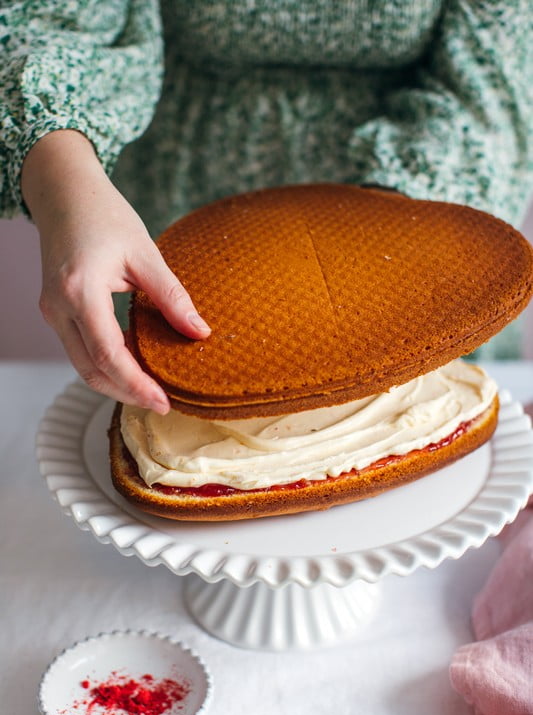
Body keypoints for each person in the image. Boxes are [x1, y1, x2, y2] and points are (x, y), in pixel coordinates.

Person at [1, 0, 531, 414]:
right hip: (181, 226)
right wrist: (68, 193)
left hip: (420, 217)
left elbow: (495, 73)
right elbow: (46, 24)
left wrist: (388, 243)